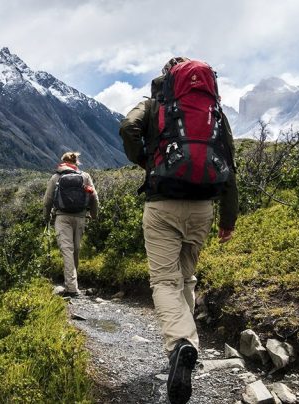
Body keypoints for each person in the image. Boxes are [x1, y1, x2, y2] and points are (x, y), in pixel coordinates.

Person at [119, 57, 238, 404]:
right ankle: (189, 345)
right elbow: (229, 162)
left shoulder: (155, 104)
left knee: (164, 281)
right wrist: (228, 219)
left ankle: (180, 344)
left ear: (167, 78)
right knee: (186, 278)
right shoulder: (213, 111)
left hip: (163, 204)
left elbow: (128, 128)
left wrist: (143, 159)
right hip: (203, 207)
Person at [43, 152, 99, 297]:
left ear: (62, 162)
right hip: (80, 217)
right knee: (76, 249)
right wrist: (93, 215)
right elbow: (94, 197)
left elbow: (47, 200)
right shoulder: (85, 176)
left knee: (67, 250)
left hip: (62, 218)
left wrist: (47, 217)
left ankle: (72, 288)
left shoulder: (56, 177)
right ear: (76, 162)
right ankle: (73, 283)